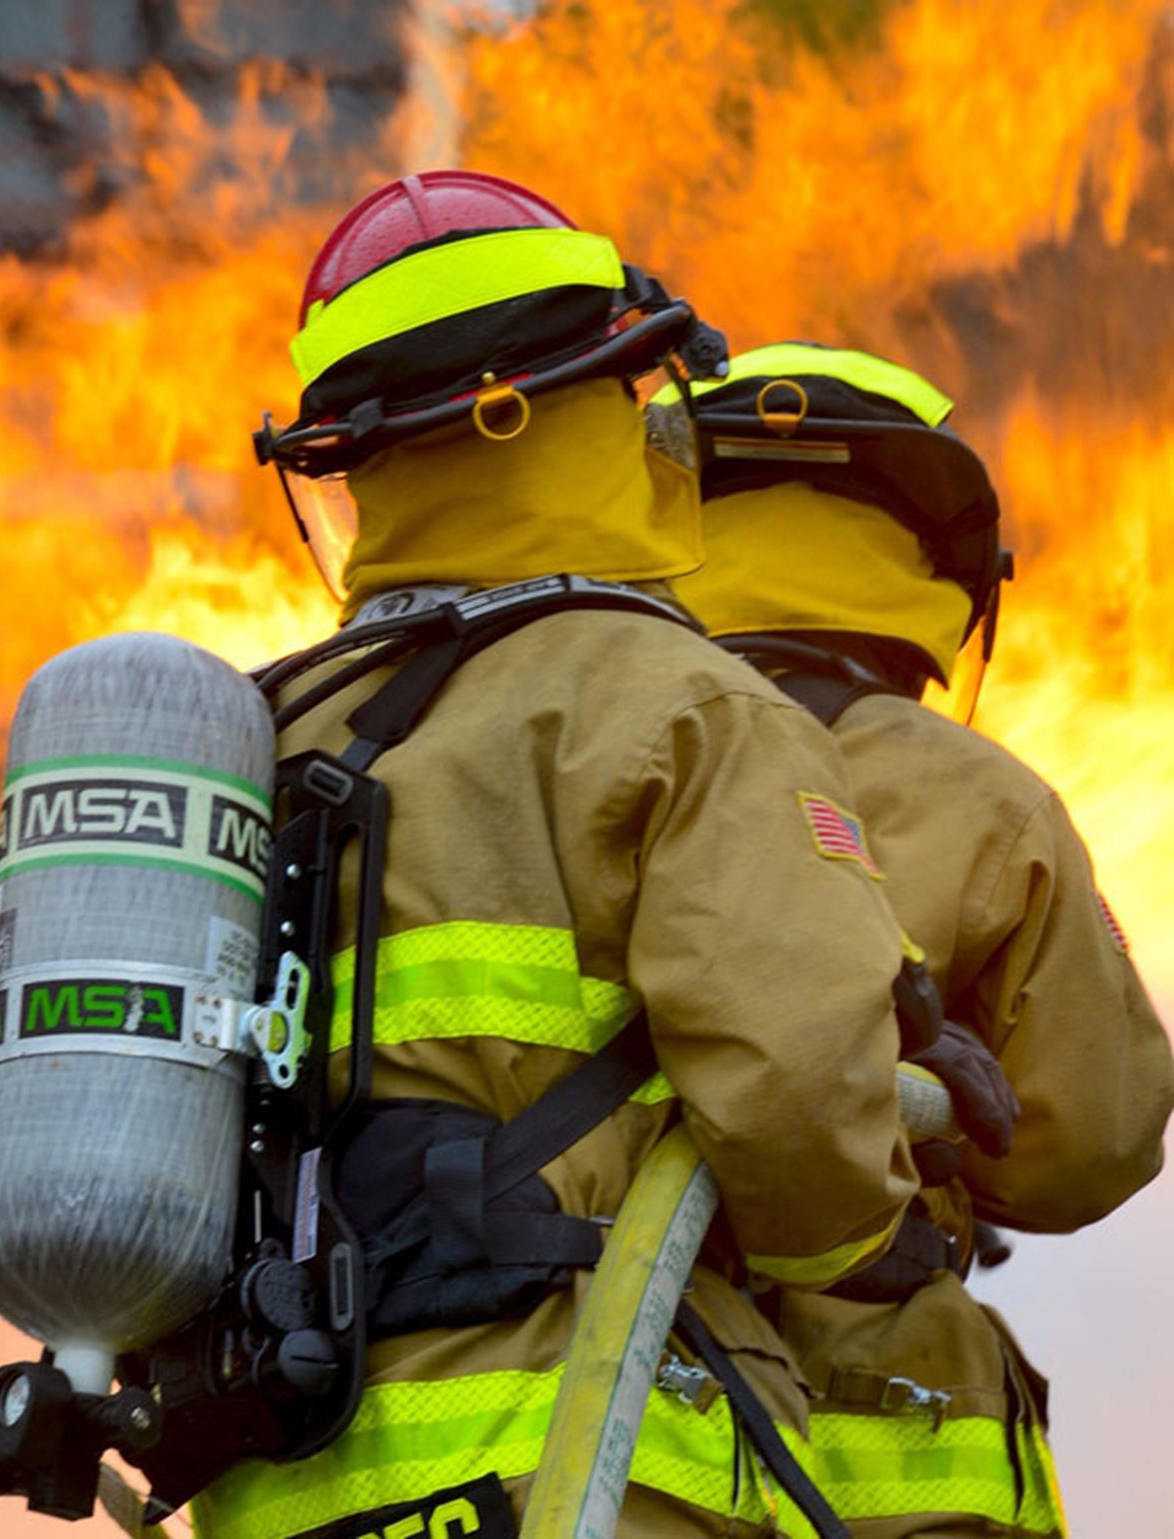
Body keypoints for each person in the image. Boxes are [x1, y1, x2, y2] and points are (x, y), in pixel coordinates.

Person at [190, 178, 923, 1539]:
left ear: (353, 463)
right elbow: (802, 1105)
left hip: (284, 1484)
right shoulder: (675, 701)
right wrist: (868, 1238)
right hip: (584, 1457)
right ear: (582, 405)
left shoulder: (256, 725)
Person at [656, 341, 1174, 1538]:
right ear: (945, 579)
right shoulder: (982, 796)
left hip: (590, 1405)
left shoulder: (585, 745)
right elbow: (1090, 1141)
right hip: (885, 1439)